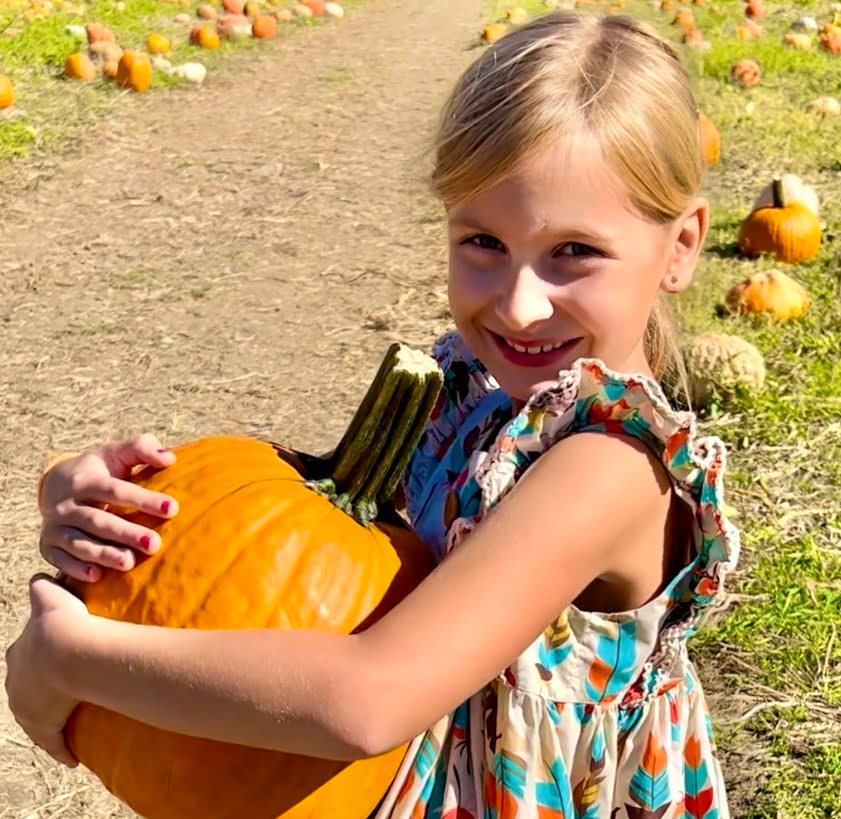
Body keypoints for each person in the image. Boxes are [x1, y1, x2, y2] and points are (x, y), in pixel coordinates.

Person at [5, 10, 740, 817]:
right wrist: (96, 500)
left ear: (680, 246)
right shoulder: (471, 386)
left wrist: (75, 659)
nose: (521, 305)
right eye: (483, 242)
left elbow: (369, 701)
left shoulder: (608, 465)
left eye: (575, 252)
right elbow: (291, 536)